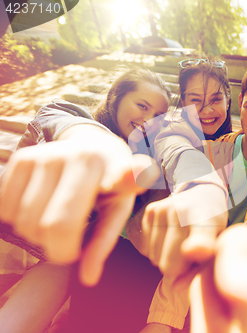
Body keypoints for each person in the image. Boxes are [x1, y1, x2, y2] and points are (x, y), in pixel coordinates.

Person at [139, 52, 247, 332]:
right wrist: (161, 320)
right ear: (241, 103)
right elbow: (197, 232)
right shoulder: (218, 147)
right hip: (202, 267)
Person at [0, 67, 171, 332]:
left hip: (56, 265)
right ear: (115, 97)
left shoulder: (137, 175)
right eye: (142, 105)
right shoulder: (68, 116)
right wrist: (96, 142)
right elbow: (70, 125)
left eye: (158, 116)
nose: (148, 120)